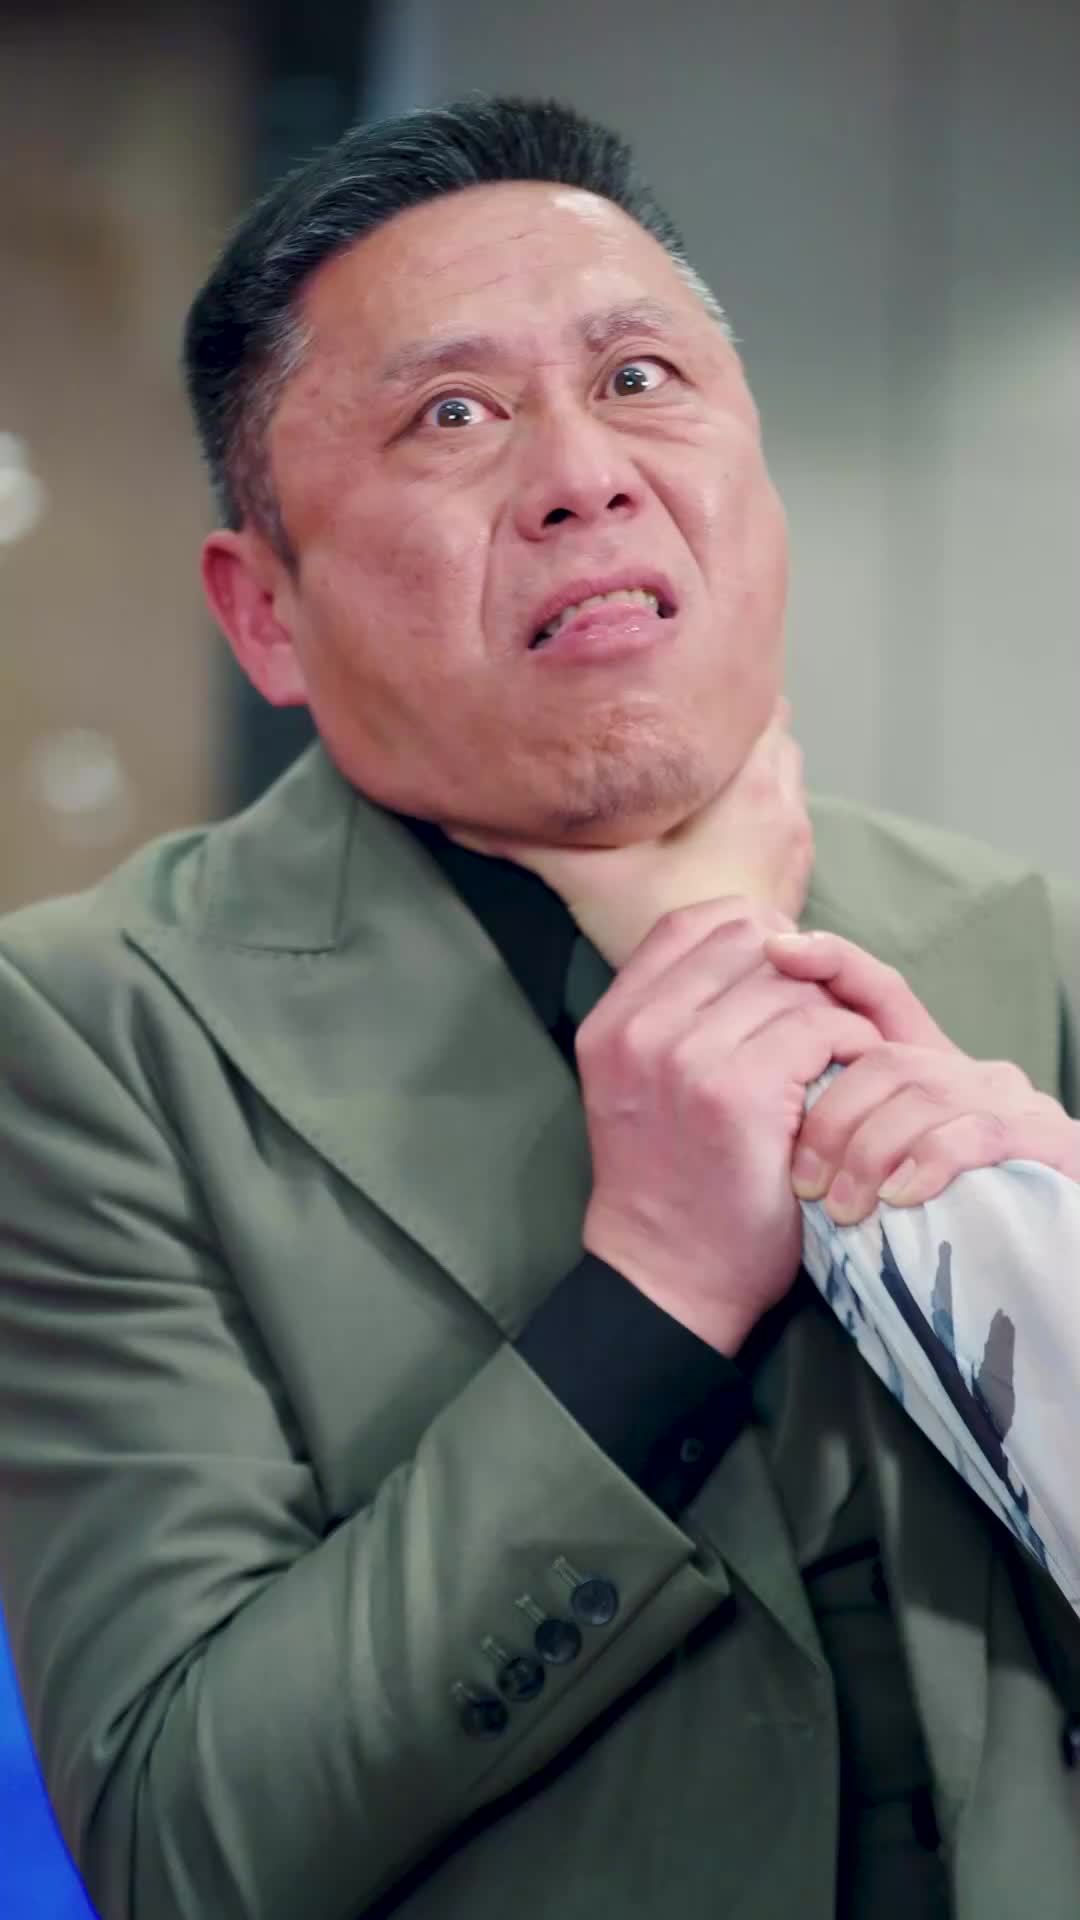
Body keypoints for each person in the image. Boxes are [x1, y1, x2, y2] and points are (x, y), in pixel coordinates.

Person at [0, 96, 1078, 1920]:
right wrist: (647, 1295)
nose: (586, 473)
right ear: (264, 615)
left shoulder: (1009, 937)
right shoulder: (99, 1030)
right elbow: (190, 1845)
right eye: (454, 414)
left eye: (640, 379)